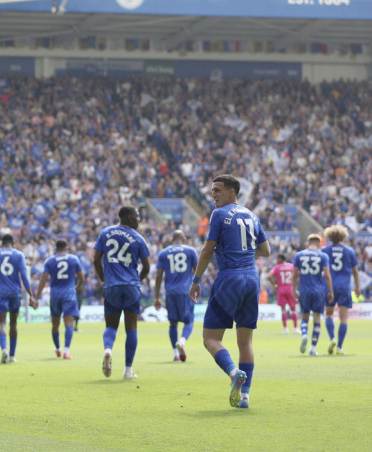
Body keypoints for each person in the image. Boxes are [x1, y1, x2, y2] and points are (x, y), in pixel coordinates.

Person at [188, 175, 270, 410]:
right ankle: (245, 396)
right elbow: (265, 250)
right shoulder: (252, 215)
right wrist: (244, 257)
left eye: (217, 190)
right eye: (212, 190)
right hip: (251, 278)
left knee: (211, 338)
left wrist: (196, 280)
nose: (213, 194)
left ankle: (234, 372)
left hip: (229, 278)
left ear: (232, 192)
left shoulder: (220, 214)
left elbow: (206, 251)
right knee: (245, 342)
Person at [94, 206, 150, 380]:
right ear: (127, 217)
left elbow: (96, 259)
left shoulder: (105, 233)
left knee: (111, 326)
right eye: (137, 216)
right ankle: (128, 370)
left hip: (112, 286)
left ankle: (108, 349)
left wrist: (104, 279)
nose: (139, 219)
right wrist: (137, 281)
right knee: (131, 327)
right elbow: (147, 266)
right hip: (131, 286)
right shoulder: (138, 238)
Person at [0, 233, 38, 364]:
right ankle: (12, 356)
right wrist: (31, 295)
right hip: (15, 293)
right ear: (13, 243)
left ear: (2, 243)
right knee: (13, 324)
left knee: (1, 324)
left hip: (0, 293)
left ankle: (4, 349)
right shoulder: (19, 255)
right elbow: (24, 276)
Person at [154, 230, 198, 362]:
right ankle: (182, 342)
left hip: (170, 292)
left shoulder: (164, 253)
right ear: (183, 239)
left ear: (172, 239)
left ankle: (175, 354)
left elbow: (159, 276)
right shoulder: (190, 251)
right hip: (185, 291)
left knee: (173, 323)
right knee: (189, 321)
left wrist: (156, 296)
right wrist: (197, 286)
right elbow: (197, 271)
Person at [35, 239, 84, 359]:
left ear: (56, 249)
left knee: (55, 325)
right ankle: (66, 352)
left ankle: (57, 348)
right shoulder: (74, 259)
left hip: (55, 295)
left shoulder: (49, 261)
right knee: (69, 323)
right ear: (66, 249)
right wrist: (76, 288)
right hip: (69, 294)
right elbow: (82, 278)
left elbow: (43, 280)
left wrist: (36, 297)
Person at [320, 225, 361, 354]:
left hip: (329, 287)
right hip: (344, 287)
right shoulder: (349, 251)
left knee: (329, 314)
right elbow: (355, 272)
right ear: (344, 236)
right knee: (343, 319)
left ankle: (332, 338)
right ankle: (339, 347)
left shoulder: (324, 250)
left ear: (329, 236)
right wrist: (358, 287)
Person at [293, 234, 334, 356]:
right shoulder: (323, 256)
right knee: (317, 319)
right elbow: (327, 275)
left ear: (308, 242)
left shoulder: (299, 255)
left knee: (304, 317)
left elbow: (295, 275)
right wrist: (331, 291)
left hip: (304, 290)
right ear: (319, 243)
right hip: (318, 291)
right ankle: (312, 348)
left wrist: (293, 290)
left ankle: (304, 334)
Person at [268, 253, 298, 334]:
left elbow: (269, 275)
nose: (276, 261)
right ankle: (295, 328)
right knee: (293, 309)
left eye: (277, 259)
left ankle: (285, 329)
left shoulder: (277, 267)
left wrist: (274, 284)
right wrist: (296, 285)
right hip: (290, 288)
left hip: (281, 289)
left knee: (283, 310)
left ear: (281, 259)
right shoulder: (291, 266)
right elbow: (298, 274)